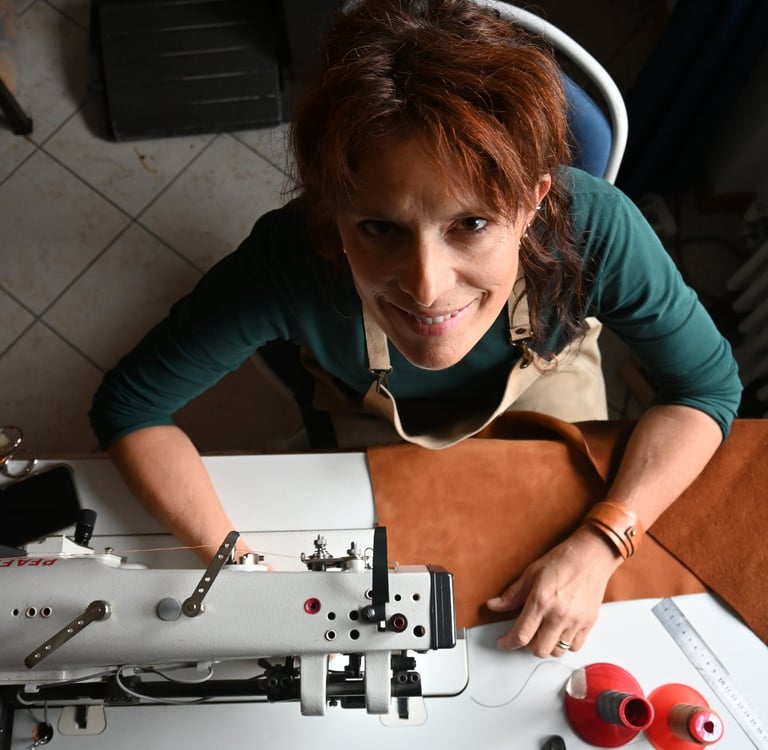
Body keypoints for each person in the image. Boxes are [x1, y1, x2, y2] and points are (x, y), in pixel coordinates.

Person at [90, 0, 741, 658]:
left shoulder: (598, 229)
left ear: (534, 202)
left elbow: (705, 389)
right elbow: (130, 405)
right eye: (379, 228)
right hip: (368, 413)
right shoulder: (289, 258)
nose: (427, 288)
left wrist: (605, 539)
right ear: (332, 212)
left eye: (471, 224)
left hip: (546, 388)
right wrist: (240, 571)